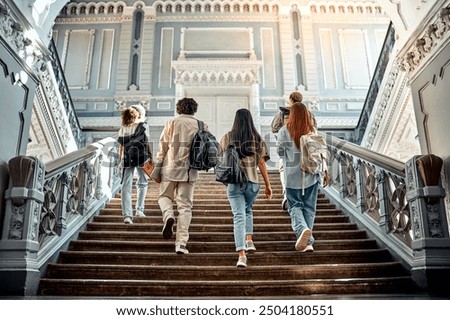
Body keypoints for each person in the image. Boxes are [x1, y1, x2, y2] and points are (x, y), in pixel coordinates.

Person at [150, 97, 210, 254]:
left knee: (164, 197)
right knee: (185, 207)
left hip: (170, 168)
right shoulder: (202, 125)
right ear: (194, 109)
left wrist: (157, 168)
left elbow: (162, 147)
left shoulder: (171, 123)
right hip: (190, 171)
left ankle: (168, 215)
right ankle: (181, 244)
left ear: (179, 109)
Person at [219, 108, 272, 268]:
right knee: (248, 211)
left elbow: (221, 160)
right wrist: (268, 185)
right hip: (253, 182)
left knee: (239, 216)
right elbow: (261, 163)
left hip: (235, 182)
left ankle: (241, 255)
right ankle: (249, 241)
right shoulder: (257, 138)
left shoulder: (227, 137)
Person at [277, 102, 323, 252]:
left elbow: (280, 152)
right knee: (309, 208)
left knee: (295, 206)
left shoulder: (284, 131)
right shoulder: (312, 130)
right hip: (311, 174)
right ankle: (308, 243)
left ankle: (303, 231)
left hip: (292, 176)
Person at [117, 106, 151, 224]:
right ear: (139, 115)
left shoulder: (122, 128)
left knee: (126, 186)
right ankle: (139, 210)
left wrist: (120, 161)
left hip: (127, 158)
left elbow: (121, 146)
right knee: (142, 183)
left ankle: (127, 216)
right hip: (142, 158)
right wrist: (150, 159)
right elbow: (146, 143)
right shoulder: (144, 126)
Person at [271, 91, 304, 211]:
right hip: (303, 150)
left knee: (284, 170)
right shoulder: (307, 114)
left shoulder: (282, 113)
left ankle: (287, 196)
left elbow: (274, 128)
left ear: (290, 100)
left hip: (288, 149)